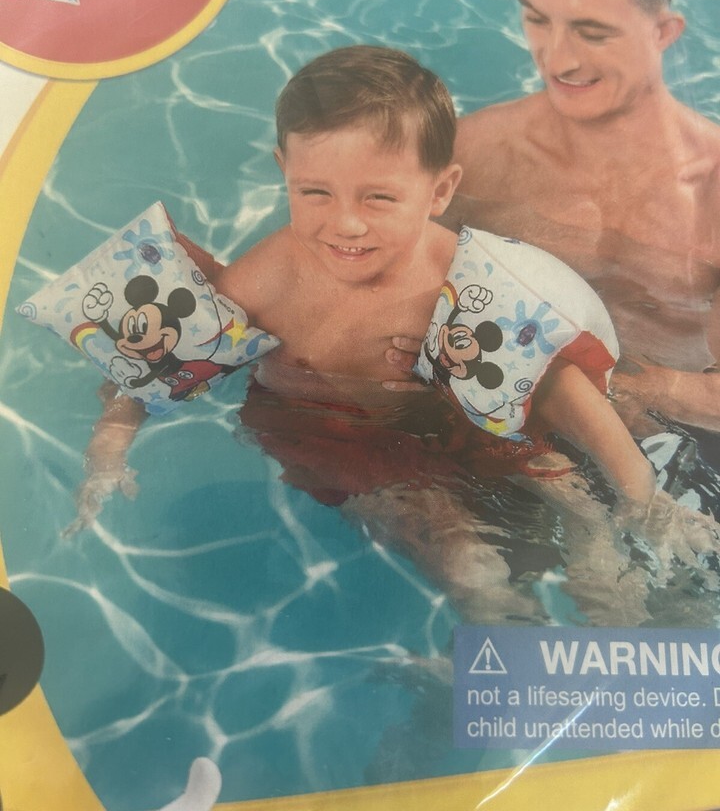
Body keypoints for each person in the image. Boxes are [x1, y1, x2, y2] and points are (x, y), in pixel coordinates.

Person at [76, 46, 714, 623]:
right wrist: (108, 448)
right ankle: (506, 632)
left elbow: (555, 383)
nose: (345, 224)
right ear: (283, 170)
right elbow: (158, 364)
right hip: (328, 430)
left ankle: (621, 617)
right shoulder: (263, 281)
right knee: (466, 561)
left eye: (378, 198)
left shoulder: (459, 280)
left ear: (440, 191)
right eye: (315, 191)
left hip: (460, 413)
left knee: (584, 510)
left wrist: (643, 495)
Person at [439, 0, 720, 439]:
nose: (558, 59)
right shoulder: (472, 155)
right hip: (493, 422)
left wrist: (632, 389)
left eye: (593, 32)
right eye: (537, 20)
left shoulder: (713, 186)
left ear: (663, 32)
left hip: (672, 434)